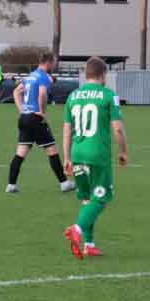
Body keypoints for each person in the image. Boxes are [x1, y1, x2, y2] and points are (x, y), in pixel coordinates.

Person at [62, 57, 128, 259]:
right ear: (103, 74)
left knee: (87, 199)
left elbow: (67, 129)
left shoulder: (73, 96)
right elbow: (117, 128)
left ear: (86, 74)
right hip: (97, 155)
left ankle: (89, 245)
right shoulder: (109, 95)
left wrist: (67, 157)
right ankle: (77, 230)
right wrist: (123, 151)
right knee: (101, 199)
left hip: (77, 153)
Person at [6, 51, 76, 194]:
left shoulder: (30, 76)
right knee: (52, 150)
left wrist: (22, 110)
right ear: (48, 62)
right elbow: (42, 94)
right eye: (54, 62)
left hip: (24, 118)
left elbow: (16, 92)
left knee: (20, 153)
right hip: (35, 118)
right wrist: (42, 112)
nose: (54, 65)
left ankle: (11, 185)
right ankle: (64, 183)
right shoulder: (43, 76)